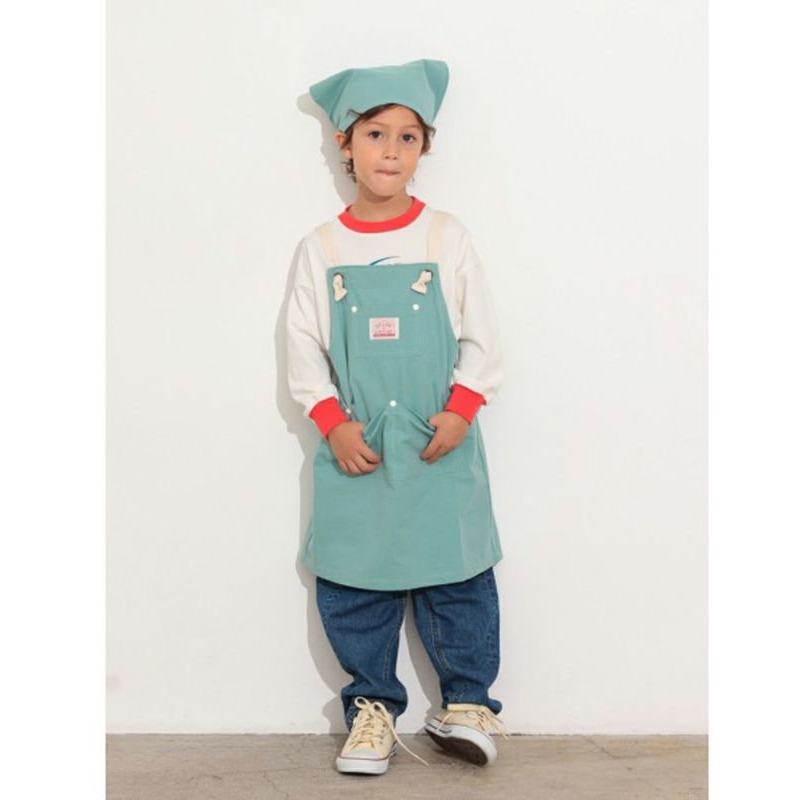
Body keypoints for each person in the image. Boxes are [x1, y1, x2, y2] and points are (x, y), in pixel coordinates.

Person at [286, 58, 508, 775]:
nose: (390, 150)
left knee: (458, 574)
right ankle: (371, 708)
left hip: (440, 439)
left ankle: (467, 703)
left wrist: (462, 408)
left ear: (424, 148)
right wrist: (331, 421)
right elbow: (302, 346)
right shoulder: (322, 249)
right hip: (358, 445)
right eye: (375, 134)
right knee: (355, 579)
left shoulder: (446, 237)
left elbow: (483, 335)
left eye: (407, 137)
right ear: (345, 145)